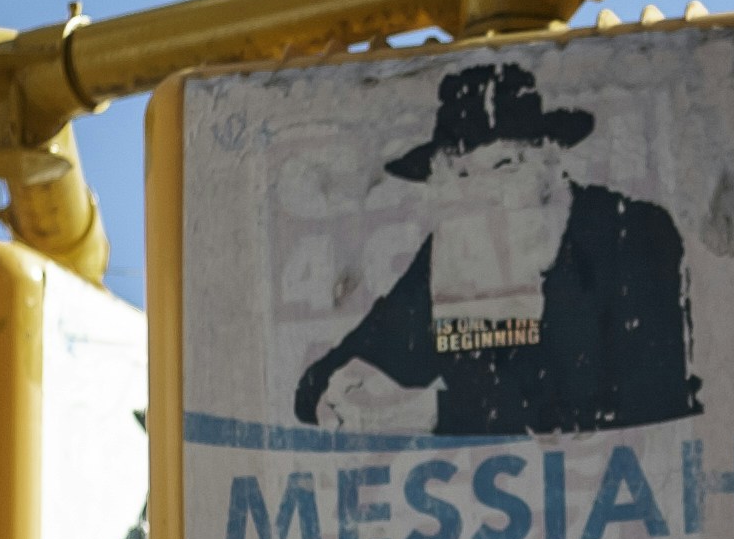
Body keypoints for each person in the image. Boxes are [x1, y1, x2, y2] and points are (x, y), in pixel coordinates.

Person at [295, 61, 700, 436]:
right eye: (463, 173)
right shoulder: (451, 254)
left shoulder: (633, 235)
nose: (485, 192)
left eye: (505, 165)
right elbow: (341, 368)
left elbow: (643, 412)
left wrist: (433, 413)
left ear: (548, 159)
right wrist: (336, 392)